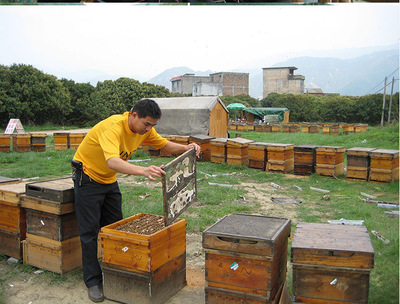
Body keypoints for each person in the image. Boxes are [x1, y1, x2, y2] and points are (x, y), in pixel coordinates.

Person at [71, 99, 201, 303]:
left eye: (152, 126)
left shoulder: (145, 131)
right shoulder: (113, 127)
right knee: (89, 232)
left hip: (108, 180)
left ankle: (114, 272)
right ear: (133, 116)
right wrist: (143, 170)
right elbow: (112, 161)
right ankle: (93, 281)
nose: (148, 129)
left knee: (117, 227)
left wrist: (188, 148)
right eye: (146, 124)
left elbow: (165, 145)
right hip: (88, 177)